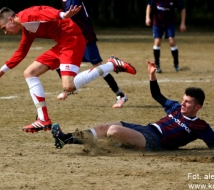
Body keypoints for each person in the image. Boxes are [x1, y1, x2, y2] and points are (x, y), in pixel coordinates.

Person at [0, 5, 137, 134]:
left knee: (68, 86)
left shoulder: (25, 16)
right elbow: (21, 52)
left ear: (10, 20)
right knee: (29, 73)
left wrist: (62, 15)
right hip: (62, 44)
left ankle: (112, 64)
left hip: (72, 39)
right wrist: (2, 70)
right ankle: (43, 119)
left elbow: (43, 11)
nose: (5, 32)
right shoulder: (27, 30)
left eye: (4, 28)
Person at [51, 60, 214, 151]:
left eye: (188, 102)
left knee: (113, 131)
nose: (183, 103)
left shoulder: (200, 126)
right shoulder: (175, 108)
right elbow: (157, 95)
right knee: (105, 127)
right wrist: (152, 75)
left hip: (155, 142)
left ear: (197, 107)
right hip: (147, 129)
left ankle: (120, 144)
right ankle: (66, 139)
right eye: (184, 100)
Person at [54, 0, 128, 108]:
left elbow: (67, 19)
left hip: (86, 38)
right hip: (75, 39)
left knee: (98, 67)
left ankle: (120, 95)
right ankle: (70, 88)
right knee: (59, 60)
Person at [145, 0, 186, 73]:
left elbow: (182, 9)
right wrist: (147, 17)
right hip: (157, 23)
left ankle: (176, 64)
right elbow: (149, 6)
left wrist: (182, 23)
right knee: (157, 42)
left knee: (172, 41)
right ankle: (157, 65)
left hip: (169, 23)